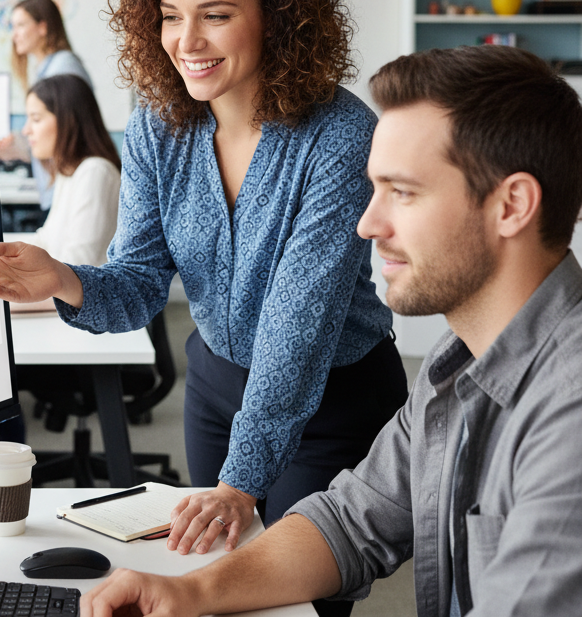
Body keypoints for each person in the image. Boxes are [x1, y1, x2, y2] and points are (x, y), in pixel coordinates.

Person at [0, 0, 407, 617]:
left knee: (290, 604)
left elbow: (298, 329)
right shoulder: (160, 128)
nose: (186, 41)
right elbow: (137, 284)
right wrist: (65, 279)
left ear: (278, 16)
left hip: (331, 400)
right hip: (216, 388)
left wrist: (240, 483)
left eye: (215, 16)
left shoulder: (341, 136)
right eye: (169, 17)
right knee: (202, 587)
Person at [80, 45, 582, 617]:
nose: (367, 224)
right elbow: (348, 522)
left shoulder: (569, 413)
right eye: (375, 189)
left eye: (403, 192)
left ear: (512, 205)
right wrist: (189, 592)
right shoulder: (455, 365)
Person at [0, 0, 91, 210]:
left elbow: (65, 134)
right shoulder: (47, 68)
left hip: (64, 191)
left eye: (21, 25)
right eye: (13, 27)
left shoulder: (62, 70)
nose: (14, 35)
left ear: (42, 27)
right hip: (55, 189)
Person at [20, 74, 121, 267]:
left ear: (67, 121)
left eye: (36, 119)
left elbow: (79, 264)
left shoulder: (95, 172)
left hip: (78, 287)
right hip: (61, 284)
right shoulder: (69, 171)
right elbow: (45, 240)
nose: (26, 130)